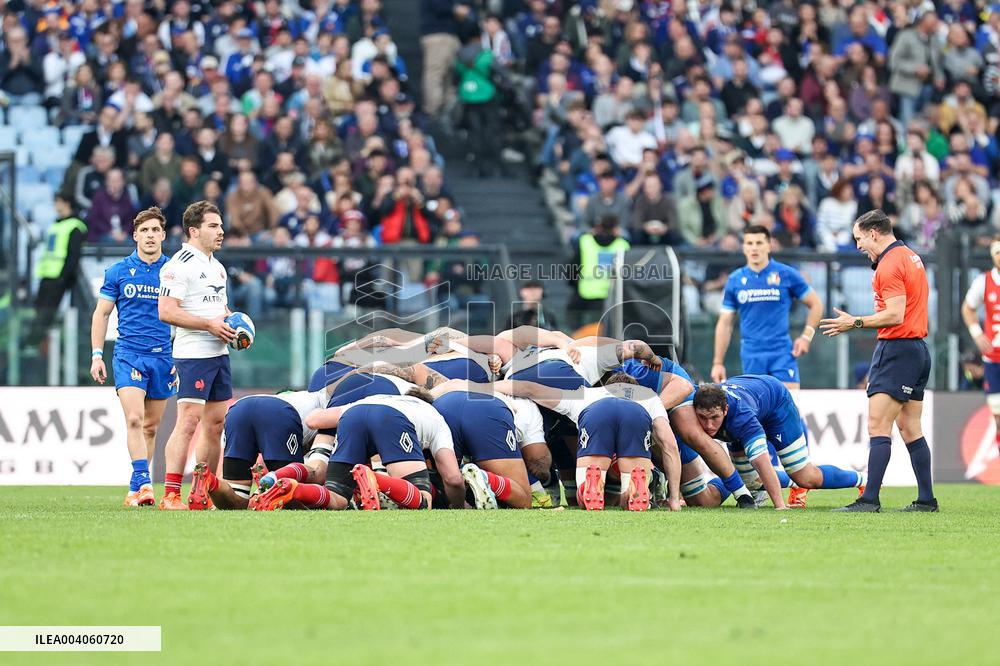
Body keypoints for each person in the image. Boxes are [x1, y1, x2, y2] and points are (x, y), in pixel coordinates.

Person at [820, 209, 937, 512]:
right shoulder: (910, 256)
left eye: (859, 239)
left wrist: (854, 322)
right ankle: (926, 500)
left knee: (877, 425)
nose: (858, 246)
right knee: (910, 427)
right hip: (917, 350)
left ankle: (869, 499)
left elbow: (895, 315)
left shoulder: (890, 264)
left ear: (874, 233)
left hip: (897, 349)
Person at [494, 374, 683, 511]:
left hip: (596, 411)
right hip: (636, 413)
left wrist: (484, 387)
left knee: (586, 493)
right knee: (633, 480)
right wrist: (674, 498)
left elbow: (529, 389)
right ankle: (633, 489)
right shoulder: (648, 396)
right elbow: (669, 445)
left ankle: (588, 489)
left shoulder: (587, 393)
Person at [89, 207, 175, 508]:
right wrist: (97, 355)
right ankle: (145, 482)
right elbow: (101, 314)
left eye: (155, 230)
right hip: (129, 355)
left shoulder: (174, 271)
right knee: (135, 418)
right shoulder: (118, 272)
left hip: (164, 357)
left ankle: (135, 488)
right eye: (145, 231)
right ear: (135, 235)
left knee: (151, 427)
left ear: (163, 235)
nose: (150, 236)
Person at [255, 389, 466, 511]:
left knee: (337, 499)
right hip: (393, 420)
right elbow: (453, 478)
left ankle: (292, 488)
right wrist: (456, 506)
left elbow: (314, 420)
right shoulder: (436, 417)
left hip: (353, 414)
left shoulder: (380, 397)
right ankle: (376, 479)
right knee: (423, 500)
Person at [156, 201, 237, 510]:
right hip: (193, 356)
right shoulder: (178, 265)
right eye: (213, 226)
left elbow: (220, 309)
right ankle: (172, 494)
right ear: (194, 230)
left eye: (220, 225)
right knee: (188, 421)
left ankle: (202, 492)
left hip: (219, 353)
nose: (221, 231)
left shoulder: (216, 266)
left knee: (215, 424)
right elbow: (166, 311)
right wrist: (208, 324)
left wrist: (236, 326)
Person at [692, 377, 867, 510]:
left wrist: (780, 507)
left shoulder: (742, 417)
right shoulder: (691, 410)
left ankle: (864, 479)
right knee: (750, 480)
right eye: (703, 418)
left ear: (725, 410)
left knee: (806, 477)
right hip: (754, 396)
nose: (708, 425)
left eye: (714, 418)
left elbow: (762, 462)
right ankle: (788, 485)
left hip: (777, 405)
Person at [712, 225, 823, 391]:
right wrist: (718, 363)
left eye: (759, 242)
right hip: (752, 355)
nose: (754, 248)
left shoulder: (787, 274)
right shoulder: (735, 280)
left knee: (789, 409)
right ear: (743, 247)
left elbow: (816, 305)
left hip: (783, 354)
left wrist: (806, 337)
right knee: (759, 412)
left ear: (769, 245)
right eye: (749, 243)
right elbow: (725, 323)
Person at [192, 388, 328, 510]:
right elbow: (318, 467)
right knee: (289, 491)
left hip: (239, 408)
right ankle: (268, 489)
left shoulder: (298, 397)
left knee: (237, 500)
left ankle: (210, 480)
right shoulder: (329, 405)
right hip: (278, 413)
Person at [28, 194, 87, 347]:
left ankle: (35, 345)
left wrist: (64, 277)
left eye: (58, 202)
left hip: (58, 278)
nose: (55, 205)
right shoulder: (56, 224)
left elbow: (72, 255)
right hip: (47, 274)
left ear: (67, 203)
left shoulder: (75, 226)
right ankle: (35, 344)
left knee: (47, 316)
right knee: (40, 314)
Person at [960, 235, 1000, 456]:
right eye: (996, 252)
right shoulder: (984, 281)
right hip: (993, 358)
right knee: (997, 413)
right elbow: (968, 308)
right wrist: (976, 333)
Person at [566, 215, 630, 331]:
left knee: (574, 319)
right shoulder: (623, 245)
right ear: (616, 228)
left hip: (585, 293)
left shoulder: (585, 241)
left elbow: (573, 267)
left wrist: (573, 284)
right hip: (611, 295)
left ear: (597, 227)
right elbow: (628, 274)